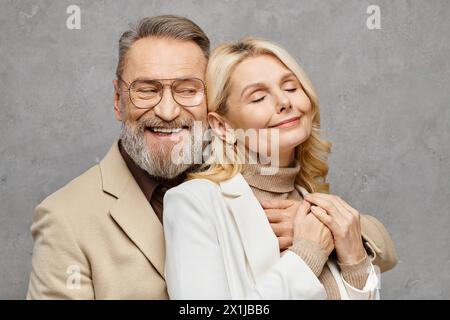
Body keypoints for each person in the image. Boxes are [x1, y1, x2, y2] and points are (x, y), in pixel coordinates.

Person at [27, 15, 396, 300]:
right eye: (147, 89)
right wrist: (310, 250)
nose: (169, 110)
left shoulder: (258, 174)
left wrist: (342, 229)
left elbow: (381, 249)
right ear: (118, 99)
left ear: (211, 108)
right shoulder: (66, 217)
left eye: (188, 89)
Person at [163, 38, 397, 299]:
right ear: (222, 126)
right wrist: (308, 254)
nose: (284, 102)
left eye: (291, 87)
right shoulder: (194, 202)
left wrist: (354, 258)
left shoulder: (312, 203)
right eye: (258, 97)